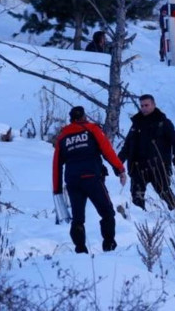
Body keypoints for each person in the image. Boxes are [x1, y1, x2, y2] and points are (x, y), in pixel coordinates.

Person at [52, 106, 127, 253]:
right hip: (92, 178)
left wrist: (57, 190)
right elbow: (107, 150)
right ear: (84, 117)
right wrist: (120, 170)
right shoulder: (92, 129)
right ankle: (109, 245)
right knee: (107, 212)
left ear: (71, 119)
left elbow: (56, 166)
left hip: (73, 181)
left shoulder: (62, 137)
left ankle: (80, 250)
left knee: (78, 218)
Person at [118, 95, 175, 211]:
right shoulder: (136, 124)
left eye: (146, 105)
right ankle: (138, 225)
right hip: (138, 167)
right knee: (137, 198)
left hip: (158, 166)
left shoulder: (163, 123)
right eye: (142, 106)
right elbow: (127, 146)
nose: (144, 108)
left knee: (165, 193)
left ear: (153, 105)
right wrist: (117, 163)